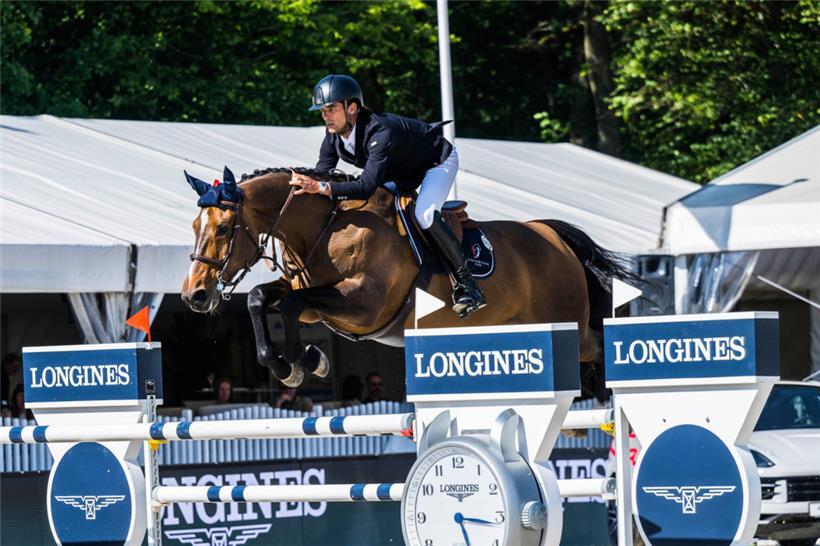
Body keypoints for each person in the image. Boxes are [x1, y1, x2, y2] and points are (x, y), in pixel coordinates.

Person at [289, 74, 486, 318]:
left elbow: (365, 186)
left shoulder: (380, 132)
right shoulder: (332, 136)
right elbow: (322, 175)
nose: (325, 116)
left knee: (423, 214)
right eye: (322, 110)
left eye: (331, 109)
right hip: (399, 171)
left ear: (352, 107)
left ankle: (467, 284)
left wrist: (319, 188)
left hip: (435, 162)